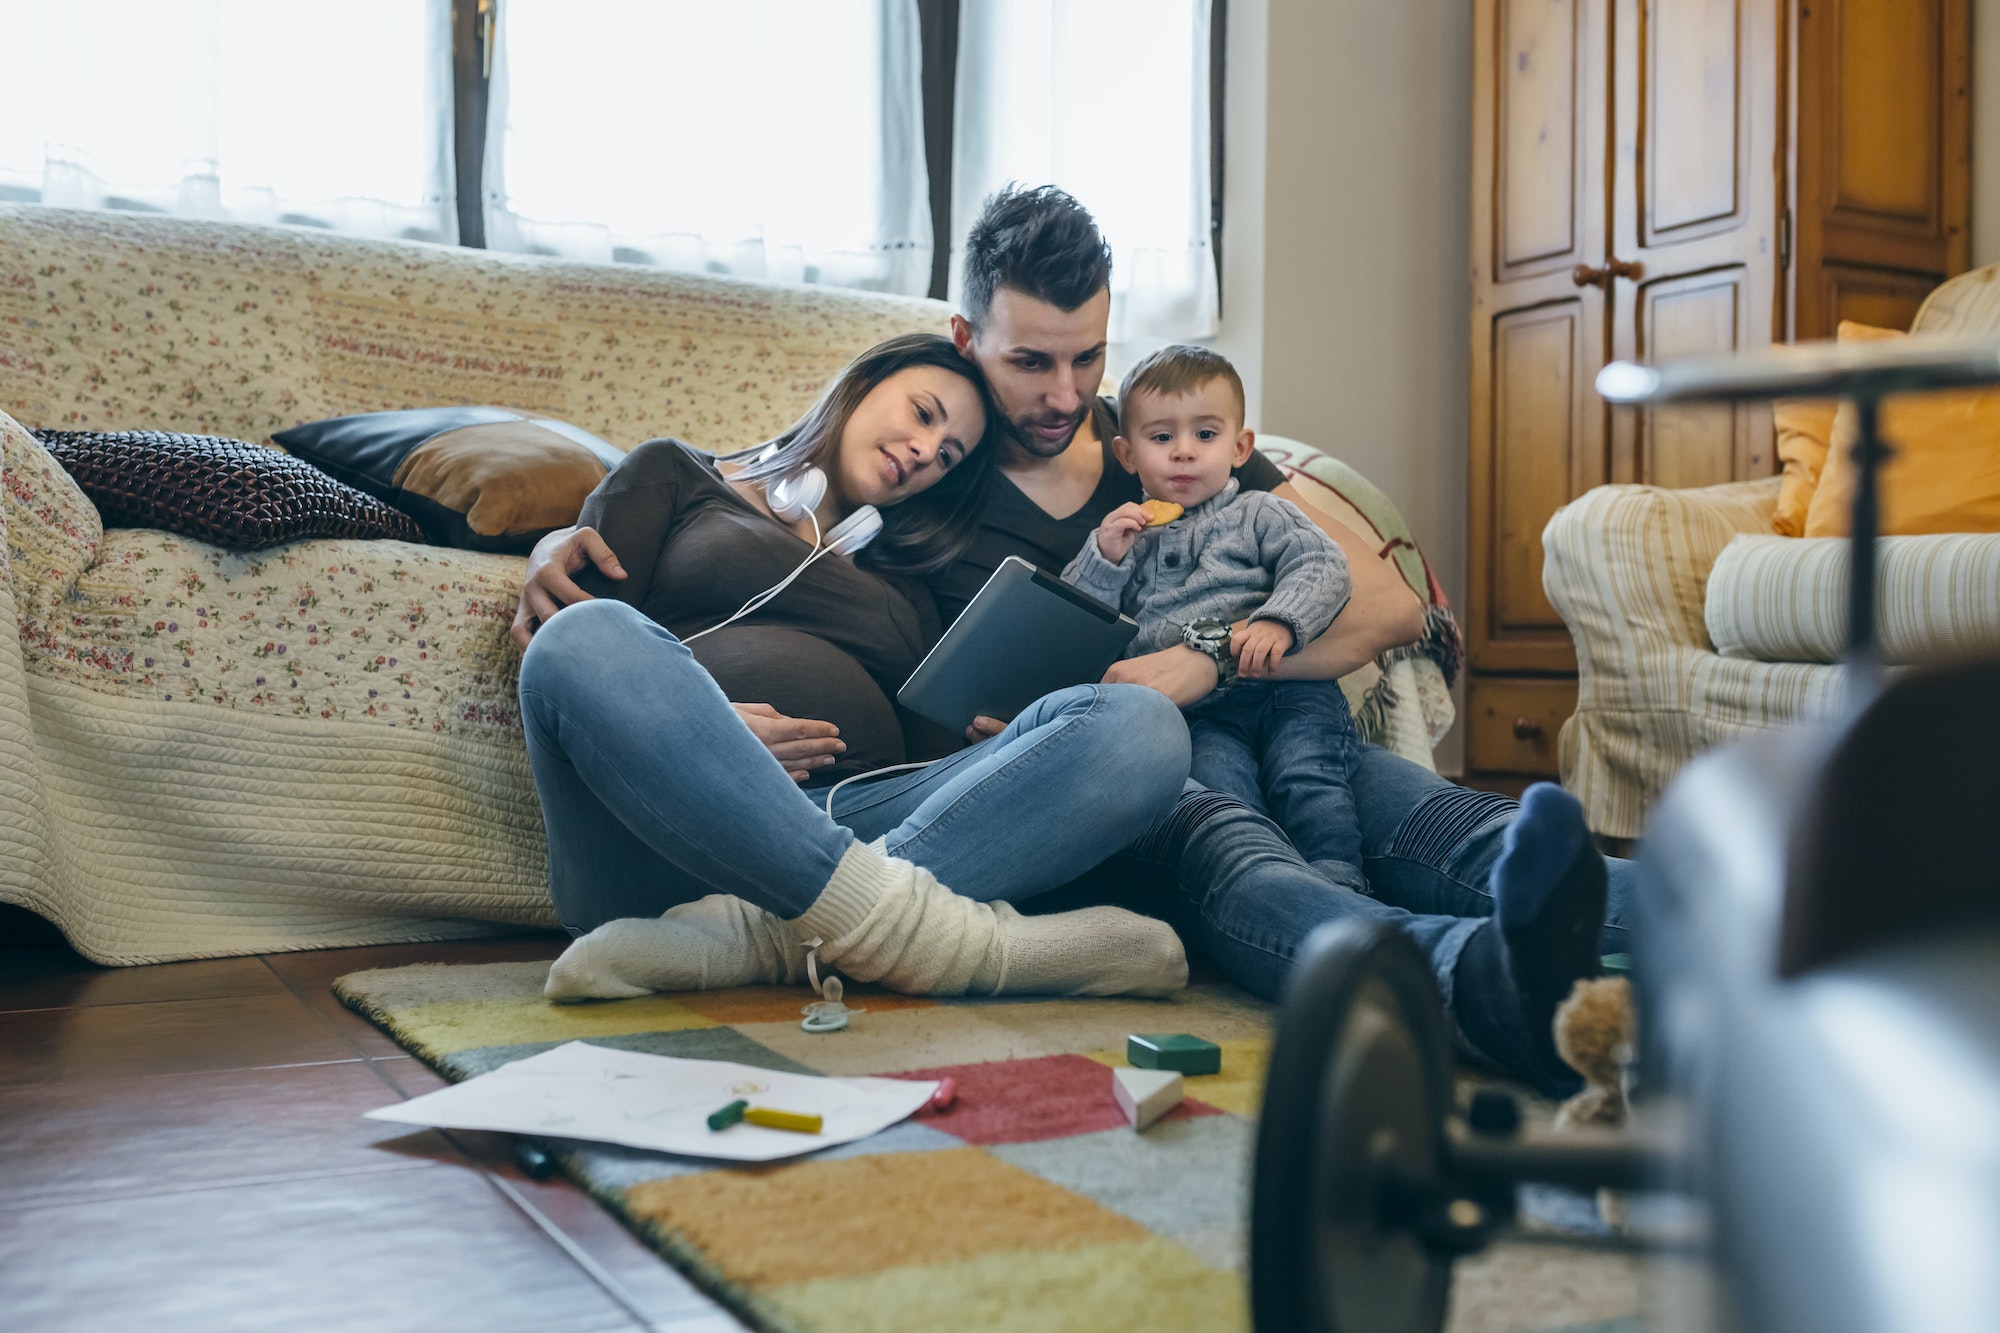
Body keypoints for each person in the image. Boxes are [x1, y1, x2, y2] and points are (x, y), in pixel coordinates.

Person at [517, 187, 1624, 1097]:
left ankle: (1731, 918)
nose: (1060, 395)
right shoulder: (919, 493)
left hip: (1211, 720)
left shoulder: (1164, 447)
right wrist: (567, 548)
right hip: (1019, 783)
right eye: (1027, 364)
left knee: (1435, 820)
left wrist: (1198, 655)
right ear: (965, 340)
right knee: (1162, 761)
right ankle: (927, 939)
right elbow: (709, 519)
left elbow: (1385, 601)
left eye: (1085, 358)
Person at [520, 333, 1193, 1002]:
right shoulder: (674, 475)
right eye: (924, 415)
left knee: (1144, 726)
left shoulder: (911, 581)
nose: (927, 452)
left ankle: (767, 938)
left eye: (948, 455)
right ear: (862, 384)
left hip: (862, 823)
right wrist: (707, 732)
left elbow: (932, 772)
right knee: (581, 636)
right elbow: (576, 662)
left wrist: (1010, 751)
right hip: (665, 836)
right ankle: (947, 945)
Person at [1062, 344, 1368, 898]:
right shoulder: (1127, 537)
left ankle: (1339, 880)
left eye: (1205, 435)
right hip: (1198, 715)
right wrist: (1102, 559)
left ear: (1240, 446)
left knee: (1308, 779)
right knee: (1223, 795)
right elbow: (1076, 623)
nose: (1183, 453)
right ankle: (1263, 886)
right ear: (1127, 455)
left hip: (1286, 688)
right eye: (1161, 438)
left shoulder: (1259, 511)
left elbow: (1323, 564)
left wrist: (1279, 622)